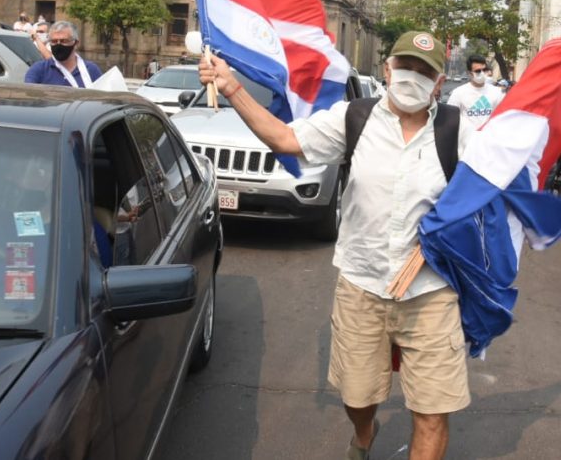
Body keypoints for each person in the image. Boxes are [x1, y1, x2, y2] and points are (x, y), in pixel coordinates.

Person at [199, 30, 472, 460]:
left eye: (425, 71)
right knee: (357, 396)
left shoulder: (458, 130)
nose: (412, 77)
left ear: (440, 82)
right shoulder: (354, 118)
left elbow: (495, 188)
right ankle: (364, 432)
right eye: (406, 66)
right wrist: (232, 86)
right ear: (388, 68)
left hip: (431, 292)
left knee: (433, 413)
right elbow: (285, 140)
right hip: (361, 286)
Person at [24, 20, 103, 88]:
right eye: (54, 41)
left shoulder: (91, 70)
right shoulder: (39, 69)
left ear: (75, 43)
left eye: (64, 41)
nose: (58, 45)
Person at [446, 54, 504, 130]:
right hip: (467, 140)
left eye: (484, 70)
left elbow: (502, 117)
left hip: (489, 139)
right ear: (469, 73)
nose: (482, 73)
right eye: (478, 71)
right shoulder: (458, 93)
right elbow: (450, 119)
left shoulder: (497, 92)